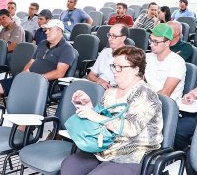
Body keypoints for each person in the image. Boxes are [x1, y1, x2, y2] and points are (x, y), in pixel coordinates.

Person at [61, 45, 163, 175]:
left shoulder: (145, 94)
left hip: (133, 154)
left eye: (121, 67)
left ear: (136, 69)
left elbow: (130, 128)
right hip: (106, 147)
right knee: (70, 166)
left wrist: (95, 117)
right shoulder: (111, 91)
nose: (115, 70)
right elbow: (102, 119)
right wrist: (88, 107)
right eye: (114, 66)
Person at [0, 19, 75, 117]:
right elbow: (31, 62)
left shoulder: (67, 49)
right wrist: (25, 73)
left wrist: (38, 78)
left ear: (59, 30)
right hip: (29, 79)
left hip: (44, 83)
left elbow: (59, 73)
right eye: (46, 30)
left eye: (49, 30)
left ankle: (22, 130)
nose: (46, 32)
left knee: (23, 99)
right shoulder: (42, 44)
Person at [145, 23, 186, 101]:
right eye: (150, 40)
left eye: (155, 41)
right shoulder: (147, 57)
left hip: (166, 106)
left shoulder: (177, 62)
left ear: (167, 43)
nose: (151, 45)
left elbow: (165, 93)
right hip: (148, 101)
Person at [87, 24, 128, 89]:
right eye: (109, 35)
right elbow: (90, 75)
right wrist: (99, 81)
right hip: (98, 86)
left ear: (123, 38)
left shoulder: (129, 56)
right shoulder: (105, 52)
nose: (109, 39)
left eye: (114, 36)